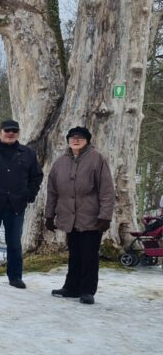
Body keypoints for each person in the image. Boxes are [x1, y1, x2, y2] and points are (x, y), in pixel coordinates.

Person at [45, 126, 115, 305]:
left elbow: (107, 191)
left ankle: (87, 290)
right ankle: (71, 287)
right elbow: (52, 191)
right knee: (74, 253)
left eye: (80, 138)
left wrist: (105, 216)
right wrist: (49, 215)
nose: (76, 140)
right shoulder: (60, 163)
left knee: (89, 255)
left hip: (91, 216)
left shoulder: (97, 159)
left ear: (87, 140)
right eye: (72, 137)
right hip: (68, 216)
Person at [0, 119, 44, 288]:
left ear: (18, 133)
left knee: (14, 243)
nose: (10, 133)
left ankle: (15, 277)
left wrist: (29, 194)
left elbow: (36, 176)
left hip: (16, 205)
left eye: (14, 130)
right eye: (7, 130)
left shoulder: (27, 153)